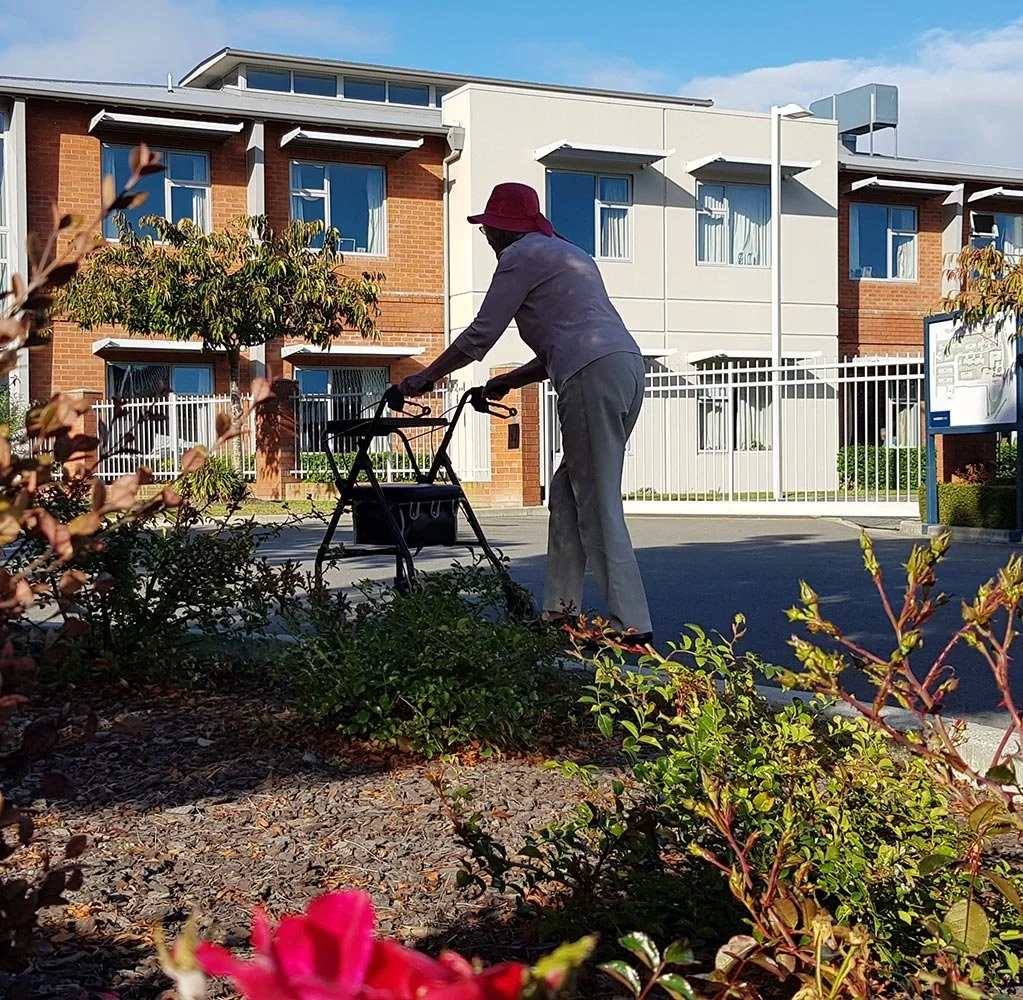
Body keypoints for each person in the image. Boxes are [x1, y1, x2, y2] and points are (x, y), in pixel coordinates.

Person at [398, 182, 652, 643]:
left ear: (501, 228)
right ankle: (560, 612)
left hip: (590, 372)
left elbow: (480, 335)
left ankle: (632, 625)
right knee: (568, 494)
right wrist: (508, 381)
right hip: (624, 367)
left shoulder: (519, 256)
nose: (486, 238)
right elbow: (563, 341)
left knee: (595, 500)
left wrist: (424, 377)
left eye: (488, 230)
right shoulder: (569, 254)